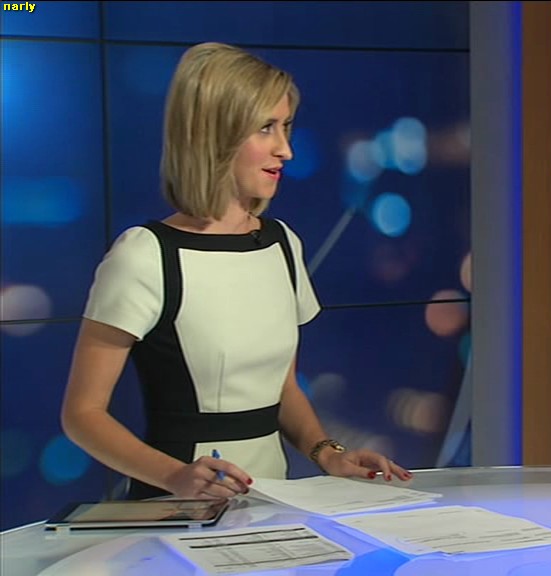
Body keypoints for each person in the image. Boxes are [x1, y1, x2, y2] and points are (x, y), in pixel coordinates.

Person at [61, 42, 412, 500]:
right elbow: (82, 414)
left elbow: (281, 387)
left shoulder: (282, 243)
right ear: (214, 135)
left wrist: (326, 453)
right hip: (179, 508)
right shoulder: (145, 255)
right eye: (266, 128)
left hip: (274, 501)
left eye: (286, 126)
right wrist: (175, 477)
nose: (285, 150)